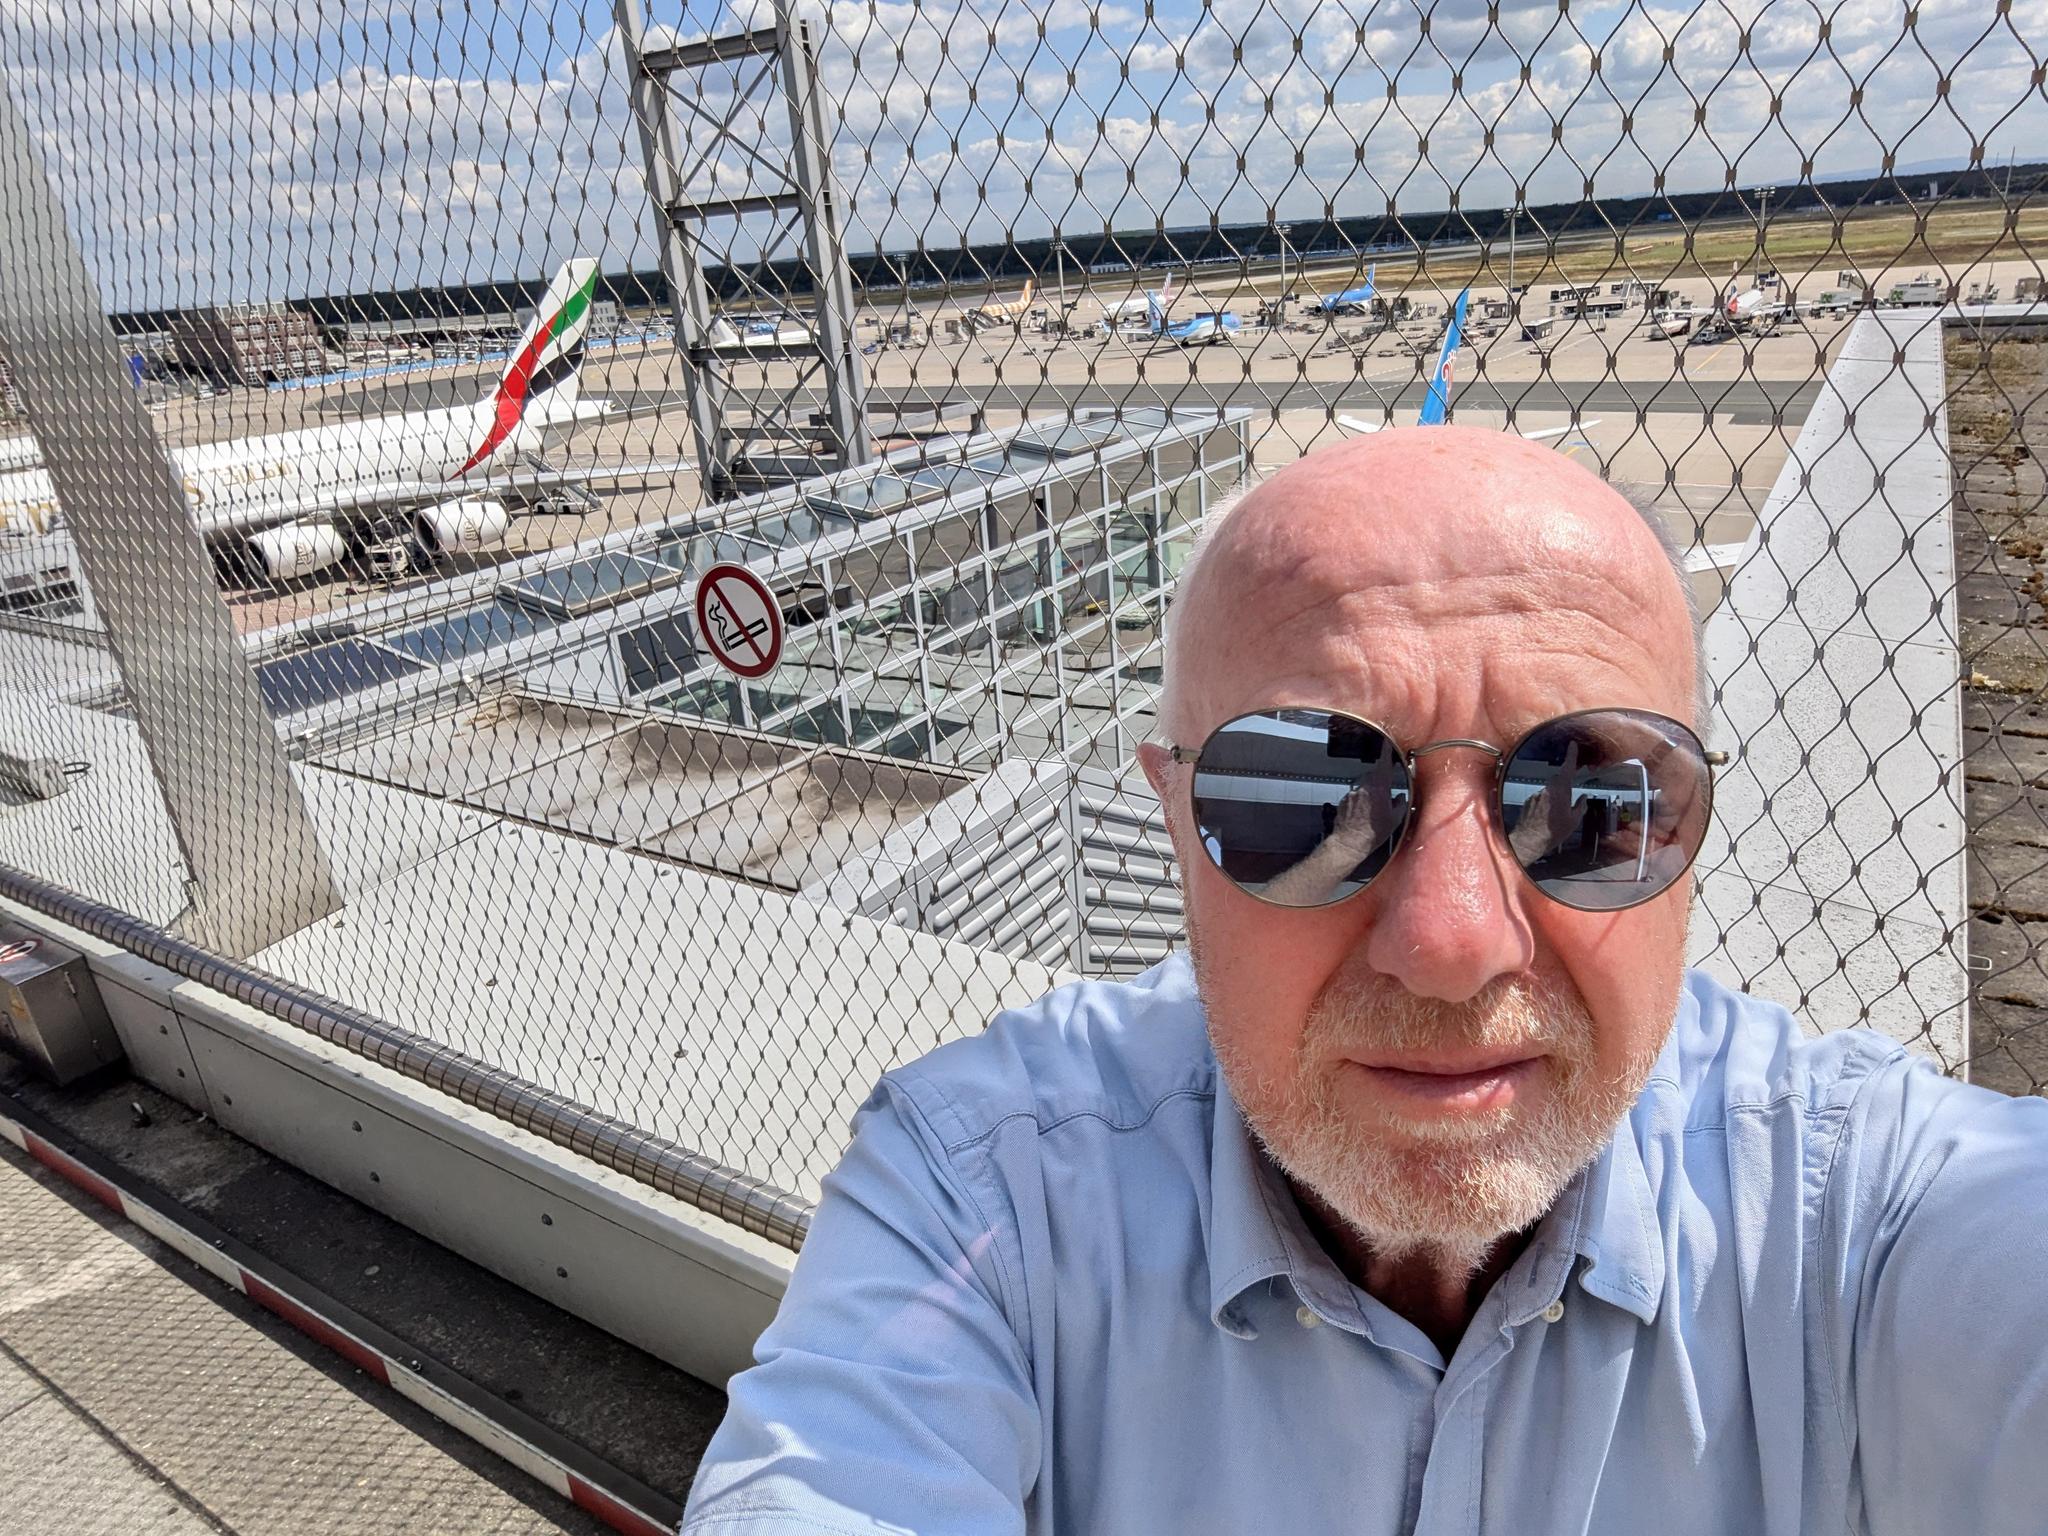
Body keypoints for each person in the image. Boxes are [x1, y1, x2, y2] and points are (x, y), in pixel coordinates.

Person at [680, 427, 2048, 1534]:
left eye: (1591, 800)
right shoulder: (977, 1196)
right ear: (1174, 822)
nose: (1451, 942)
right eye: (1300, 796)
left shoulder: (1868, 1209)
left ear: (1688, 831)